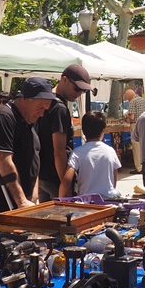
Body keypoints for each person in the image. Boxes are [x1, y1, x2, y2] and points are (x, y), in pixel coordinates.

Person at [0, 77, 55, 225]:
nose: (41, 114)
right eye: (40, 107)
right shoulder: (4, 117)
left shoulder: (28, 121)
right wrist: (22, 201)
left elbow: (34, 159)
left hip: (20, 207)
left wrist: (32, 198)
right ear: (24, 99)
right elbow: (3, 160)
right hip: (0, 207)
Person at [36, 64, 92, 201]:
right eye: (77, 88)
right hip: (54, 177)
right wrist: (65, 186)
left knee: (47, 220)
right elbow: (59, 151)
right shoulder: (59, 108)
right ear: (64, 80)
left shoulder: (46, 100)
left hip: (41, 174)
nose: (79, 93)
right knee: (62, 219)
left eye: (83, 91)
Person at [61, 110, 121, 198]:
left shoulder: (77, 153)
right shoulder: (110, 151)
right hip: (108, 200)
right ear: (103, 131)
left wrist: (60, 199)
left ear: (83, 131)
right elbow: (114, 176)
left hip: (86, 201)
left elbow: (66, 180)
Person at [127, 87, 145, 171]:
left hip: (135, 125)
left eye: (126, 97)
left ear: (129, 96)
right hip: (144, 124)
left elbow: (132, 117)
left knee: (136, 147)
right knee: (143, 146)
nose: (126, 99)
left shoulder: (132, 102)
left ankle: (139, 167)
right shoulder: (143, 100)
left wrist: (126, 115)